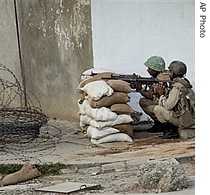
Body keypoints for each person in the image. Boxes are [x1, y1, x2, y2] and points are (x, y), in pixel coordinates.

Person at [153, 60, 195, 139]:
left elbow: (168, 106)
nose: (168, 73)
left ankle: (171, 130)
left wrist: (161, 95)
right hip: (190, 118)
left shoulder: (177, 87)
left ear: (173, 73)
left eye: (170, 71)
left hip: (184, 120)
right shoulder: (185, 84)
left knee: (157, 109)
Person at [139, 56, 171, 133]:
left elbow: (165, 97)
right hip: (161, 102)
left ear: (155, 69)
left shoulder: (162, 79)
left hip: (166, 105)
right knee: (143, 101)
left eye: (149, 68)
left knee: (150, 108)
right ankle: (159, 123)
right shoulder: (158, 78)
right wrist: (139, 88)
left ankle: (163, 123)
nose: (147, 70)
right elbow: (151, 96)